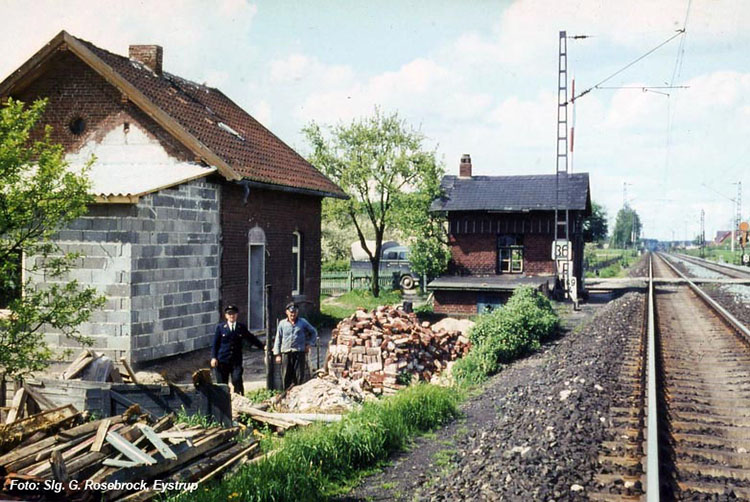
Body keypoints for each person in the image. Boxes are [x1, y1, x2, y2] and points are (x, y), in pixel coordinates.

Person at [210, 304, 264, 395]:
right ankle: (224, 401)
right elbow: (215, 344)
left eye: (234, 314)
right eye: (230, 314)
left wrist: (263, 346)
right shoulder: (220, 328)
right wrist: (213, 357)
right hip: (222, 360)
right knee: (222, 383)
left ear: (237, 315)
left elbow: (251, 338)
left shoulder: (241, 327)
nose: (232, 316)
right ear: (226, 316)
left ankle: (239, 398)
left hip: (236, 360)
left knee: (237, 379)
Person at [274, 301, 318, 389]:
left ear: (297, 313)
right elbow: (278, 338)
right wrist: (277, 354)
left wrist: (309, 344)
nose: (292, 315)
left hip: (299, 353)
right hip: (286, 353)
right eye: (291, 312)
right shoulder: (282, 324)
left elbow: (313, 332)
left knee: (299, 376)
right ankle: (286, 395)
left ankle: (298, 395)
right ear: (287, 312)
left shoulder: (303, 322)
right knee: (286, 376)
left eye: (294, 312)